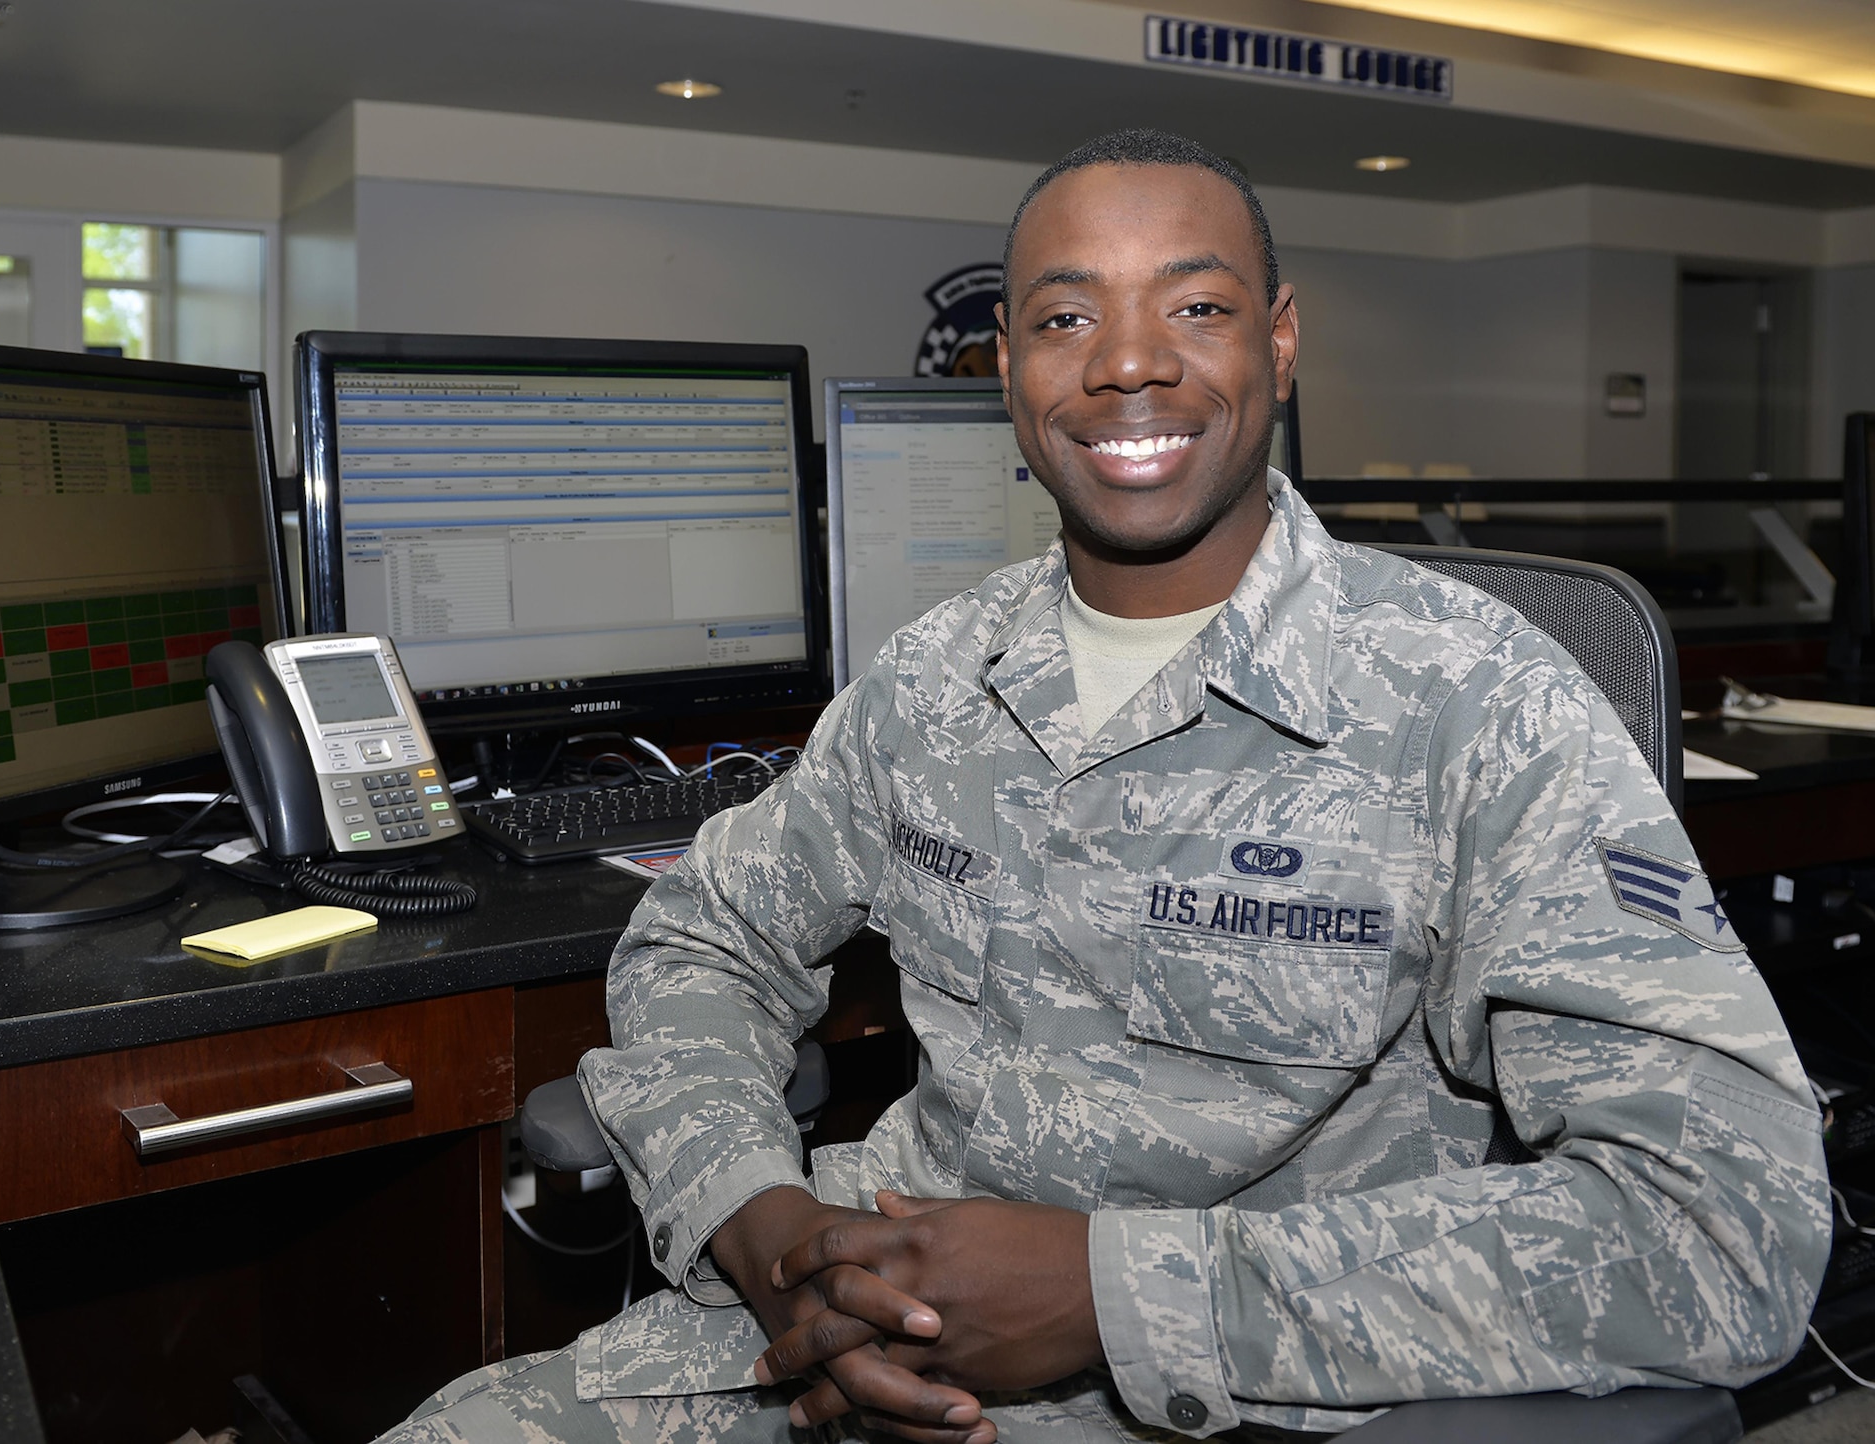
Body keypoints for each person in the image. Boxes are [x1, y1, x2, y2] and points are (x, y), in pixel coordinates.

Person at [380, 128, 1830, 1444]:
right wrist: (755, 1223)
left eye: (1194, 308)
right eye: (1067, 319)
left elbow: (1725, 1233)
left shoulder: (1474, 703)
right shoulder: (937, 675)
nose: (1127, 365)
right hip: (838, 1335)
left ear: (1279, 341)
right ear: (1007, 366)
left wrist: (1109, 1294)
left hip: (1251, 1396)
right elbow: (708, 934)